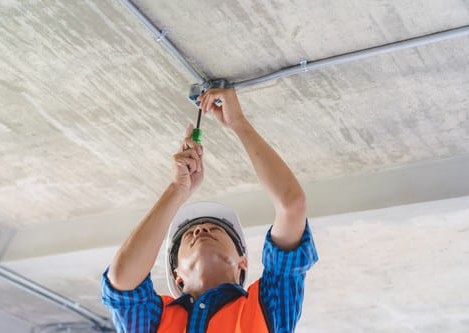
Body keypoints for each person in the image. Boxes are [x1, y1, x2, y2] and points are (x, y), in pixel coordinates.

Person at [101, 88, 318, 333]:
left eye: (213, 229)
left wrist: (177, 190)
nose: (203, 229)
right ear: (178, 275)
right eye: (197, 231)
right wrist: (239, 123)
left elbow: (123, 283)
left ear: (241, 264)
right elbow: (292, 207)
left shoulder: (155, 324)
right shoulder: (270, 312)